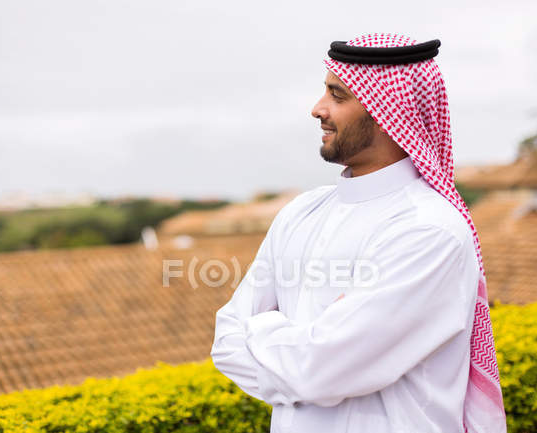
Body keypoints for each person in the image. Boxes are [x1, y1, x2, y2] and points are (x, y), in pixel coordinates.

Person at [211, 33, 507, 433]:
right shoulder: (301, 212)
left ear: (389, 111)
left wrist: (262, 330)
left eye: (337, 95)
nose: (318, 109)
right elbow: (226, 339)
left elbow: (318, 370)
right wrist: (300, 347)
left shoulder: (430, 231)